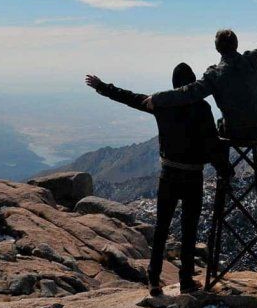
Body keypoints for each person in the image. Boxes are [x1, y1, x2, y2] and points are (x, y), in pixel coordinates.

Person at [85, 63, 231, 296]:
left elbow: (130, 98)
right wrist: (225, 170)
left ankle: (153, 280)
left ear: (173, 84)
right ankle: (186, 280)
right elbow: (212, 144)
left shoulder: (163, 104)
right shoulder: (202, 107)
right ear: (193, 83)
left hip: (168, 175)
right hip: (193, 176)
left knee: (162, 228)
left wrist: (102, 87)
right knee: (189, 229)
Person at [142, 3, 257, 190]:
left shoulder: (215, 75)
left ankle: (225, 174)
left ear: (217, 49)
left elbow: (187, 92)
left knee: (217, 126)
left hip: (234, 133)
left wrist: (157, 98)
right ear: (236, 44)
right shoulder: (255, 60)